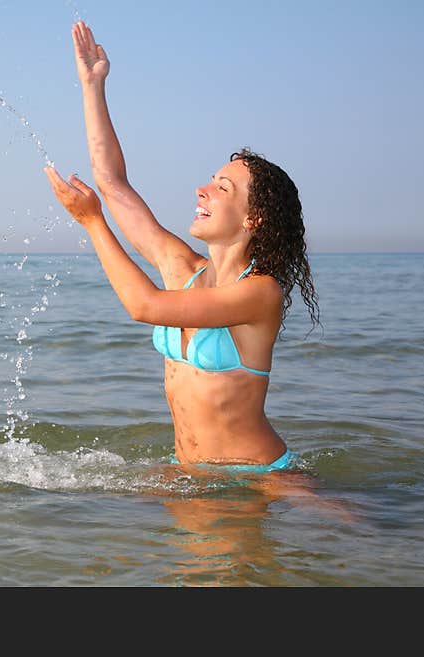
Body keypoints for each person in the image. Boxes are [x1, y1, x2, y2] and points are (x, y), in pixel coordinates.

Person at [44, 21, 320, 471]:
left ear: (254, 218)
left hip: (254, 476)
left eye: (222, 188)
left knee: (363, 531)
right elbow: (112, 184)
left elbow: (144, 306)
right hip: (189, 473)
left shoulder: (260, 293)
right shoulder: (183, 267)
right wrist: (92, 86)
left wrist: (92, 222)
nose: (202, 190)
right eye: (210, 181)